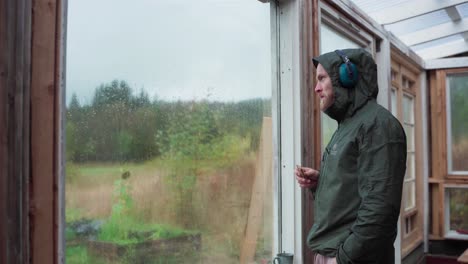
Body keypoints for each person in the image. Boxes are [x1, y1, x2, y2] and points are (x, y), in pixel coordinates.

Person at [295, 48, 407, 264]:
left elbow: (379, 208)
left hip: (352, 258)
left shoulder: (377, 125)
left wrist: (343, 258)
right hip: (335, 252)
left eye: (322, 79)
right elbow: (357, 185)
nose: (316, 88)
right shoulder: (349, 124)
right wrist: (322, 182)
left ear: (346, 78)